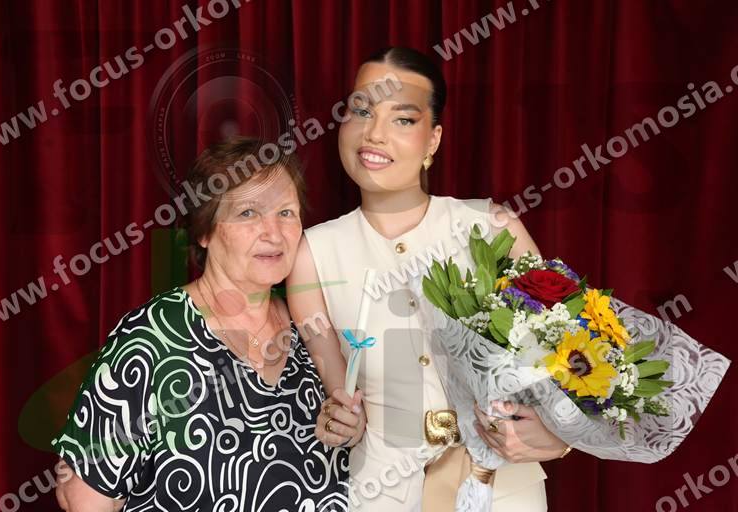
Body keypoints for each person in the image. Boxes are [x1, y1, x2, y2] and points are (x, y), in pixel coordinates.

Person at [287, 47, 569, 511]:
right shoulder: (313, 255)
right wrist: (341, 422)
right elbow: (341, 395)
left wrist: (559, 437)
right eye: (362, 111)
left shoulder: (493, 228)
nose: (374, 133)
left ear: (433, 140)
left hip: (501, 486)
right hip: (382, 492)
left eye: (402, 119)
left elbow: (574, 354)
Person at [52, 137, 355, 511]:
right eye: (248, 213)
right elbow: (83, 495)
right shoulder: (152, 338)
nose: (273, 232)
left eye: (286, 213)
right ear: (204, 231)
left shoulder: (314, 326)